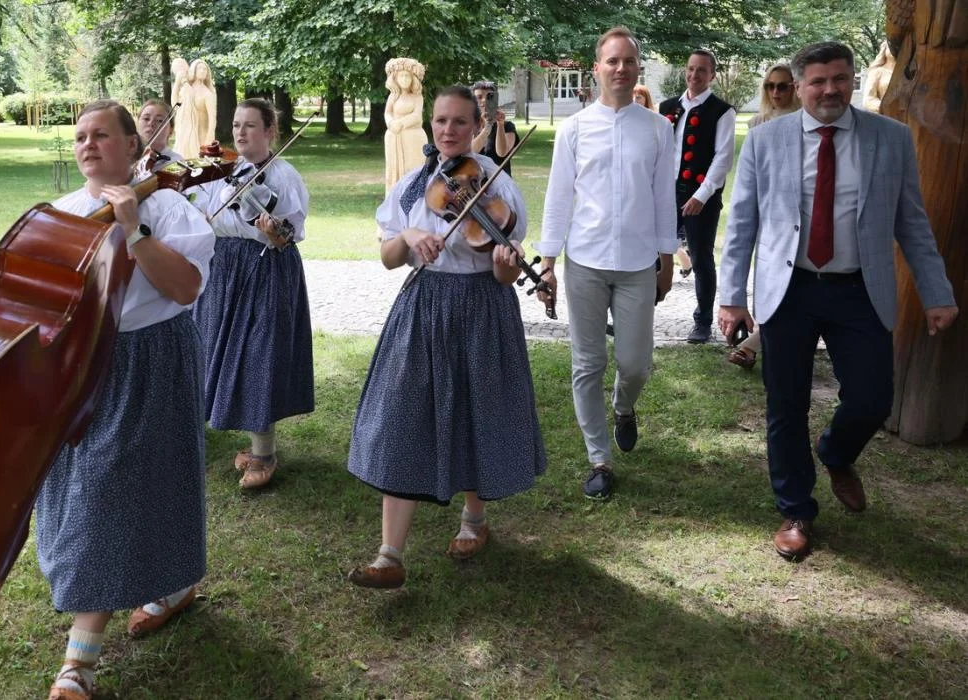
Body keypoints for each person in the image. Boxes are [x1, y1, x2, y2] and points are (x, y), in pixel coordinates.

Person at [718, 41, 958, 560]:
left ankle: (835, 451)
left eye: (840, 79)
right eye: (818, 81)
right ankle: (796, 509)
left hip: (860, 289)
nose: (830, 90)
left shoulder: (890, 138)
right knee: (786, 405)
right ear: (799, 86)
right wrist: (732, 296)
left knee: (873, 399)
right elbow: (742, 223)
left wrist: (937, 292)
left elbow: (912, 222)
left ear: (853, 80)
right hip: (790, 290)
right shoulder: (765, 140)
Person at [36, 100, 215, 700]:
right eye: (80, 136)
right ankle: (174, 585)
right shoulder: (63, 213)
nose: (88, 145)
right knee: (99, 489)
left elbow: (184, 288)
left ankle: (78, 664)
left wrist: (134, 228)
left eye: (102, 135)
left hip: (149, 358)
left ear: (134, 146)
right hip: (84, 365)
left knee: (121, 487)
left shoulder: (167, 207)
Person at [345, 85, 546, 589]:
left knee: (478, 410)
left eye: (459, 122)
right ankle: (389, 555)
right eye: (440, 121)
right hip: (423, 307)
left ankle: (474, 520)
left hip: (481, 308)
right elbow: (388, 257)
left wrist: (506, 262)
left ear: (477, 126)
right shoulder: (414, 185)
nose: (448, 130)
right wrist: (410, 236)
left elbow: (504, 275)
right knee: (402, 413)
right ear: (430, 125)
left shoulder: (497, 185)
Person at [537, 26, 677, 500]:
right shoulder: (575, 129)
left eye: (628, 61)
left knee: (635, 364)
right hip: (586, 261)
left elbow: (663, 198)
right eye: (612, 61)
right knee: (587, 363)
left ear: (638, 67)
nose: (620, 68)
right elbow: (558, 197)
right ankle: (599, 458)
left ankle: (624, 405)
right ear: (596, 68)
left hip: (638, 263)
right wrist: (548, 261)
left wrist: (666, 258)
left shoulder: (657, 128)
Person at [186, 97, 314, 491]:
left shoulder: (283, 176)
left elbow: (288, 236)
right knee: (216, 349)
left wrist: (274, 231)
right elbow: (204, 213)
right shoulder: (226, 170)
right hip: (223, 268)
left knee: (258, 355)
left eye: (250, 125)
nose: (240, 132)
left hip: (263, 269)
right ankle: (232, 435)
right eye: (237, 125)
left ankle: (264, 452)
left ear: (270, 131)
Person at [659, 49, 736, 344]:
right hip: (666, 191)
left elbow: (723, 158)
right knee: (652, 250)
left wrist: (702, 195)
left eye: (702, 70)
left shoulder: (722, 111)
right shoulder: (668, 107)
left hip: (701, 197)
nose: (695, 75)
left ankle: (702, 322)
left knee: (701, 257)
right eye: (691, 68)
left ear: (712, 75)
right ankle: (638, 311)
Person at [728, 64, 802, 369]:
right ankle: (761, 342)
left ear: (795, 87)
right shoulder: (758, 122)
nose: (776, 92)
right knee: (770, 281)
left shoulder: (804, 120)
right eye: (770, 86)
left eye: (782, 86)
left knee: (793, 286)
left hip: (794, 212)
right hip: (765, 211)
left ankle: (752, 345)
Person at [384, 57, 428, 193]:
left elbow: (417, 116)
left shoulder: (417, 97)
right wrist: (391, 123)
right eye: (401, 76)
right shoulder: (393, 96)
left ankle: (413, 197)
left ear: (413, 79)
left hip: (413, 137)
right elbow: (387, 113)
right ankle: (394, 197)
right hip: (394, 136)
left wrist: (401, 123)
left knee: (413, 169)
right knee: (394, 171)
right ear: (395, 78)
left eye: (407, 76)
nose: (404, 79)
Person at [172, 58, 218, 159]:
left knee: (199, 163)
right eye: (199, 68)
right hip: (185, 135)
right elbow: (175, 106)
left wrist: (209, 138)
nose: (202, 71)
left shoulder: (208, 94)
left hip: (201, 136)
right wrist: (177, 83)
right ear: (194, 70)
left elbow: (212, 118)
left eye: (205, 69)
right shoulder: (186, 89)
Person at [471, 80, 519, 174]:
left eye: (489, 97)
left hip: (499, 180)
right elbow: (472, 151)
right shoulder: (470, 126)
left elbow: (502, 153)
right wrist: (487, 128)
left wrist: (500, 125)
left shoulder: (507, 126)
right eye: (479, 97)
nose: (484, 100)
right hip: (475, 180)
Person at [135, 99, 184, 176]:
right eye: (146, 119)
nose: (151, 123)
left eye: (159, 120)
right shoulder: (126, 158)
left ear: (171, 130)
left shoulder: (176, 162)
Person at [862, 41, 895, 113]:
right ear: (884, 50)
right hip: (885, 116)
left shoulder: (908, 73)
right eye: (890, 47)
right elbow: (868, 100)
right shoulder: (877, 72)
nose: (894, 49)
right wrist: (888, 108)